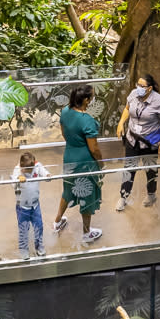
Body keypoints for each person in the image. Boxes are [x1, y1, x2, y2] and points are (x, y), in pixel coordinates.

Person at [53, 84, 103, 242]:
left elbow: (64, 134)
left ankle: (58, 221)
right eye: (92, 96)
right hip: (84, 161)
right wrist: (101, 164)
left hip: (69, 156)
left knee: (68, 189)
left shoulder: (65, 111)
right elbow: (94, 149)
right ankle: (87, 233)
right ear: (86, 100)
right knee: (86, 194)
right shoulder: (87, 120)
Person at [115, 73, 160, 211]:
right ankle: (123, 197)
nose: (138, 88)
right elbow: (127, 109)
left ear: (150, 88)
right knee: (129, 168)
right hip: (132, 138)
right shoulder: (133, 94)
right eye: (137, 84)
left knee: (150, 168)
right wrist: (121, 122)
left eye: (142, 86)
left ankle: (151, 194)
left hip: (150, 140)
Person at [11, 150, 50, 260]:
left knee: (39, 226)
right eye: (27, 170)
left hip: (35, 205)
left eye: (31, 169)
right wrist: (18, 179)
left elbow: (42, 170)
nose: (29, 172)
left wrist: (47, 174)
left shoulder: (36, 166)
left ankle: (39, 247)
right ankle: (23, 250)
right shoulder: (17, 170)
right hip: (22, 206)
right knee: (23, 230)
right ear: (22, 167)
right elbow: (13, 183)